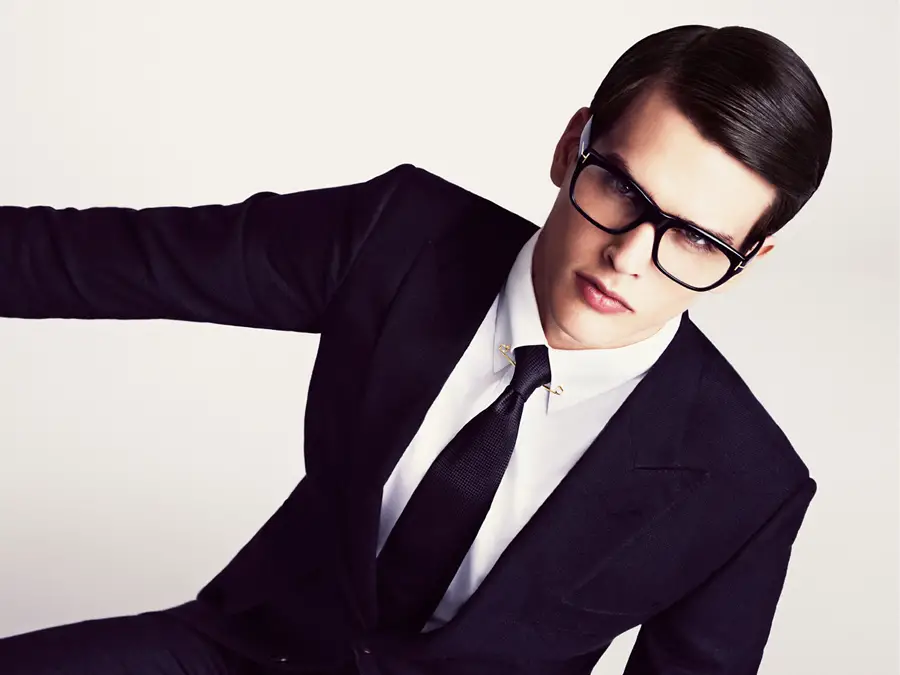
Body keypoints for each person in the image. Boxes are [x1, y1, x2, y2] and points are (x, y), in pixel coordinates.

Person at [0, 23, 832, 675]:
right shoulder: (397, 237)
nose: (629, 257)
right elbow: (95, 262)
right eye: (619, 186)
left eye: (694, 239)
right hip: (240, 654)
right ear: (570, 145)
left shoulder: (747, 487)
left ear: (747, 262)